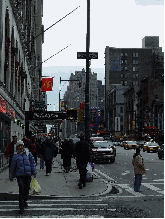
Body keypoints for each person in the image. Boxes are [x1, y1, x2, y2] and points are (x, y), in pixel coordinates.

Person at [9, 140, 37, 214]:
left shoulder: (28, 154)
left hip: (28, 174)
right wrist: (11, 176)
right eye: (19, 146)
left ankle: (24, 201)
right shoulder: (15, 156)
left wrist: (34, 172)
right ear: (17, 147)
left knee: (26, 189)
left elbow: (32, 163)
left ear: (23, 146)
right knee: (21, 189)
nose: (21, 147)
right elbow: (12, 167)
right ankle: (21, 207)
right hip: (20, 175)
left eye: (22, 145)